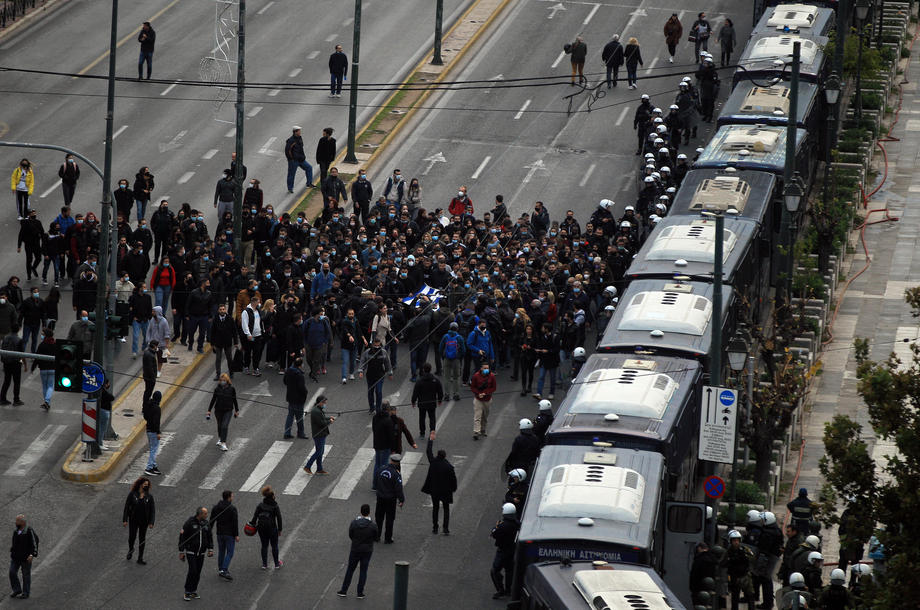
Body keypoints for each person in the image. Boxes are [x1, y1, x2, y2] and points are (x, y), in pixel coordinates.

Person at [336, 504, 377, 599]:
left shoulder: (354, 523)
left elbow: (351, 534)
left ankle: (344, 590)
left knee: (350, 569)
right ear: (369, 512)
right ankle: (360, 592)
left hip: (355, 549)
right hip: (367, 550)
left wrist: (355, 541)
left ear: (361, 511)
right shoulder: (373, 525)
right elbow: (375, 537)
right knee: (363, 571)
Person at [421, 431, 457, 535]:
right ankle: (445, 528)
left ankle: (435, 528)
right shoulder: (449, 467)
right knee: (446, 509)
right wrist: (453, 489)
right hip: (446, 491)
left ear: (437, 455)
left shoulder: (433, 462)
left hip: (435, 490)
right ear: (445, 456)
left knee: (435, 508)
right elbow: (453, 480)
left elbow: (428, 451)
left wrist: (431, 440)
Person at [178, 506, 214, 601]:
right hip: (191, 552)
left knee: (198, 572)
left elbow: (210, 537)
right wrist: (181, 551)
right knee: (192, 571)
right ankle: (187, 591)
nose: (207, 515)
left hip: (201, 553)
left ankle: (193, 591)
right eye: (205, 513)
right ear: (200, 514)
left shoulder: (206, 524)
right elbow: (182, 536)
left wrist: (210, 549)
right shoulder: (190, 523)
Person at [123, 476, 156, 564]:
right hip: (133, 520)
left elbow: (152, 510)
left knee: (142, 539)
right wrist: (125, 520)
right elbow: (126, 507)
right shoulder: (132, 494)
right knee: (132, 537)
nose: (146, 486)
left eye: (147, 485)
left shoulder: (149, 497)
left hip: (144, 521)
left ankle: (140, 558)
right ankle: (131, 549)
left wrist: (151, 522)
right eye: (145, 484)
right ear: (140, 484)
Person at [374, 453, 405, 544]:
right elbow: (398, 488)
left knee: (379, 517)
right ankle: (388, 538)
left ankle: (377, 536)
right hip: (390, 499)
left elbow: (375, 480)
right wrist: (401, 499)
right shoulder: (396, 473)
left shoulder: (381, 469)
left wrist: (379, 490)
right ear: (398, 463)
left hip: (380, 497)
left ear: (391, 460)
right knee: (390, 519)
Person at [490, 503, 519, 600]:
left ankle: (500, 589)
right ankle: (508, 590)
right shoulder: (517, 524)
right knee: (509, 570)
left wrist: (496, 527)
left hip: (502, 551)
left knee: (494, 570)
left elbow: (494, 534)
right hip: (512, 549)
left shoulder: (502, 526)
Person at [358, 336, 393, 414]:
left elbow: (387, 363)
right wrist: (361, 371)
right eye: (375, 345)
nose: (377, 347)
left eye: (378, 345)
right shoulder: (367, 352)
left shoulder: (383, 352)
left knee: (378, 392)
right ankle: (371, 408)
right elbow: (362, 362)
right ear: (373, 344)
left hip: (380, 375)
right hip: (370, 376)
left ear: (380, 344)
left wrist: (390, 373)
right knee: (370, 392)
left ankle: (378, 409)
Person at [721, 530, 754, 610]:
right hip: (734, 577)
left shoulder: (744, 550)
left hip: (745, 576)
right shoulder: (728, 552)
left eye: (737, 540)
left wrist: (745, 557)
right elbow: (723, 563)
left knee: (750, 595)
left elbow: (752, 558)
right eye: (734, 541)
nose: (736, 542)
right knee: (735, 597)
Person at [251, 485, 283, 569]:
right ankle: (276, 564)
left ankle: (264, 564)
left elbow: (255, 517)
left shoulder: (260, 505)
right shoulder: (275, 506)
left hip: (261, 528)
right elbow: (279, 518)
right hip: (272, 528)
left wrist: (252, 524)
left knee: (264, 545)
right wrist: (280, 529)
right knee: (274, 546)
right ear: (272, 496)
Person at [210, 490, 239, 580]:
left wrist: (208, 531)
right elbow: (235, 523)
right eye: (232, 496)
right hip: (229, 534)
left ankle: (220, 569)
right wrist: (236, 535)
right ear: (229, 497)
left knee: (221, 551)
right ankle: (224, 569)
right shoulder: (232, 508)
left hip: (219, 533)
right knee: (230, 552)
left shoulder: (216, 507)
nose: (233, 497)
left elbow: (211, 521)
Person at [206, 374, 239, 451]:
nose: (222, 382)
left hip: (228, 410)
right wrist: (209, 410)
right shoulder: (217, 389)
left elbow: (234, 399)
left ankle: (223, 443)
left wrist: (236, 410)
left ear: (227, 381)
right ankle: (220, 438)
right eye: (221, 380)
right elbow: (213, 400)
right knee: (220, 425)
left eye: (224, 380)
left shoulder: (232, 389)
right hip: (218, 410)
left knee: (224, 426)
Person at [9, 514, 38, 599]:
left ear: (23, 522)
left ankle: (25, 593)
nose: (16, 522)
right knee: (12, 572)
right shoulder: (16, 531)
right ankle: (17, 589)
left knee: (26, 575)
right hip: (16, 557)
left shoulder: (29, 530)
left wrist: (32, 555)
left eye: (17, 521)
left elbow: (35, 542)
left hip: (26, 558)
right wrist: (12, 551)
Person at [411, 362, 444, 438]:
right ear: (430, 369)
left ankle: (422, 432)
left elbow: (415, 392)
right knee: (432, 417)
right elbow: (440, 391)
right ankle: (432, 430)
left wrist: (413, 402)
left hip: (422, 403)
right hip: (432, 403)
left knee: (422, 418)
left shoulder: (419, 381)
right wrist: (440, 400)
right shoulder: (435, 380)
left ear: (423, 370)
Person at [304, 394, 334, 474]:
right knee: (319, 452)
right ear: (320, 402)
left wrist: (329, 418)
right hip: (319, 434)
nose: (325, 404)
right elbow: (322, 423)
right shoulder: (316, 411)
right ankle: (307, 466)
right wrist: (330, 421)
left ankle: (319, 469)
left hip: (321, 434)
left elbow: (322, 418)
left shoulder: (318, 409)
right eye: (324, 403)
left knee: (320, 452)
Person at [209, 303, 237, 380]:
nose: (222, 311)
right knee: (218, 359)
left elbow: (234, 331)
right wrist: (212, 343)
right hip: (218, 343)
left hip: (227, 342)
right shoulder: (215, 319)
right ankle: (218, 374)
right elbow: (212, 332)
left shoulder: (230, 319)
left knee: (229, 358)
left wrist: (235, 342)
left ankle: (231, 372)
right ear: (218, 310)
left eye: (223, 309)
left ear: (225, 310)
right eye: (220, 309)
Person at [283, 357, 308, 439]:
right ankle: (301, 433)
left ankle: (287, 432)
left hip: (290, 397)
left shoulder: (288, 371)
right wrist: (305, 393)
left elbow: (285, 381)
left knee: (290, 415)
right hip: (299, 399)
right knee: (299, 417)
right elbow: (302, 388)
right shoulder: (299, 375)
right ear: (300, 365)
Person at [439, 322, 465, 401]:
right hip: (456, 359)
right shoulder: (459, 337)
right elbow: (463, 350)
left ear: (449, 328)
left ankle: (447, 395)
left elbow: (440, 348)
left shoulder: (445, 336)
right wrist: (459, 357)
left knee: (446, 377)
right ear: (457, 328)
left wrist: (443, 357)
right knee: (456, 377)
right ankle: (456, 394)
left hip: (447, 358)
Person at [470, 360, 496, 440]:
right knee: (477, 416)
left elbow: (493, 388)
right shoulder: (476, 376)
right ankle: (476, 432)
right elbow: (472, 387)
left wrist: (486, 393)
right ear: (481, 368)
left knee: (485, 416)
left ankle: (483, 430)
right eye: (485, 368)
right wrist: (478, 394)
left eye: (487, 368)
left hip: (487, 399)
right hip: (478, 399)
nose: (486, 370)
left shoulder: (492, 376)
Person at [285, 126, 314, 193]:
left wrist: (302, 157)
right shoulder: (291, 140)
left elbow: (301, 148)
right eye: (299, 131)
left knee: (309, 168)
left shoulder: (300, 138)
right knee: (291, 174)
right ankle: (290, 188)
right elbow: (287, 151)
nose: (300, 132)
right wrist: (291, 159)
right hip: (294, 161)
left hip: (301, 159)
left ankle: (309, 183)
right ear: (295, 132)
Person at [241, 295, 264, 375]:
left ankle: (255, 368)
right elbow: (244, 324)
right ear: (254, 302)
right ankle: (246, 367)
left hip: (258, 336)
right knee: (248, 352)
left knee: (256, 352)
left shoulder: (258, 310)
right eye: (258, 302)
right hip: (250, 337)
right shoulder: (246, 312)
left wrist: (262, 330)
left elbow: (260, 321)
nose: (259, 304)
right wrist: (248, 334)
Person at [0, 329, 25, 406]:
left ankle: (2, 399)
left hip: (6, 362)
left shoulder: (5, 338)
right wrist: (22, 363)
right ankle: (16, 400)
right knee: (16, 382)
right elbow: (21, 354)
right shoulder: (19, 340)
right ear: (18, 330)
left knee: (6, 381)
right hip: (16, 363)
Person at [33, 327, 55, 410]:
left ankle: (46, 402)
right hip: (52, 368)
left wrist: (33, 367)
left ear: (46, 335)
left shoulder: (42, 345)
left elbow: (37, 357)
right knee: (50, 386)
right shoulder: (55, 344)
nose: (41, 335)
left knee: (45, 386)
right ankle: (47, 401)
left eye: (42, 334)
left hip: (43, 369)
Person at [18, 210, 44, 283]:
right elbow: (21, 234)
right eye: (32, 213)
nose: (34, 214)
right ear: (29, 215)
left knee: (38, 258)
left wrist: (44, 243)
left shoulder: (38, 222)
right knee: (29, 260)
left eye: (35, 213)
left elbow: (42, 233)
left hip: (36, 244)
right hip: (28, 244)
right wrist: (19, 246)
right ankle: (29, 275)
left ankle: (33, 268)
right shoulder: (25, 223)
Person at [143, 390, 162, 476]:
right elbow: (156, 422)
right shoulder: (157, 408)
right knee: (154, 450)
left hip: (148, 429)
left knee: (152, 448)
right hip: (153, 431)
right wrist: (158, 432)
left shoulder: (149, 405)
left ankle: (154, 466)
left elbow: (145, 416)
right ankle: (149, 467)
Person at [142, 340, 159, 406]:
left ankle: (145, 404)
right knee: (148, 392)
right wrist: (153, 378)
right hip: (149, 377)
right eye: (156, 346)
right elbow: (150, 368)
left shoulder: (149, 352)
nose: (157, 348)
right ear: (154, 346)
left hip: (148, 376)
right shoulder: (150, 355)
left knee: (148, 392)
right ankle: (145, 405)